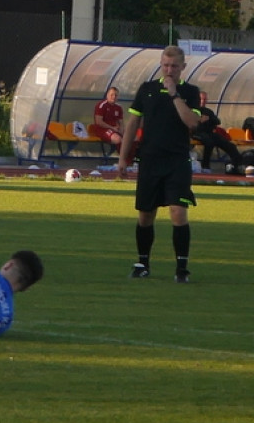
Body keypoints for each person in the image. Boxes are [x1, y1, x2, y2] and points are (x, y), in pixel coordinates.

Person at [116, 45, 202, 283]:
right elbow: (133, 123)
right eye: (165, 65)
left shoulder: (190, 92)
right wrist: (124, 157)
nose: (169, 70)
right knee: (145, 216)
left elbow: (192, 122)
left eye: (174, 66)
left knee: (178, 213)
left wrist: (174, 93)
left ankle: (181, 268)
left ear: (183, 67)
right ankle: (142, 263)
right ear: (160, 65)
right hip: (150, 160)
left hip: (177, 162)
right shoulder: (147, 89)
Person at [191, 91, 243, 175]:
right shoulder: (192, 109)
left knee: (229, 145)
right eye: (201, 99)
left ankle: (237, 166)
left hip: (209, 133)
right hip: (197, 133)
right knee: (209, 142)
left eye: (205, 99)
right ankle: (205, 166)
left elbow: (217, 121)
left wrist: (209, 119)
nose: (203, 101)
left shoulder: (208, 111)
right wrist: (199, 119)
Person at [92, 86, 123, 151]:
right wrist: (112, 128)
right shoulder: (102, 105)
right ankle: (123, 159)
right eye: (112, 95)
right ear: (107, 95)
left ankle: (133, 158)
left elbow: (121, 122)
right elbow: (99, 122)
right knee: (117, 139)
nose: (114, 97)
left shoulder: (119, 107)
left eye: (116, 95)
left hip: (114, 129)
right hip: (102, 129)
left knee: (132, 138)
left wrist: (120, 129)